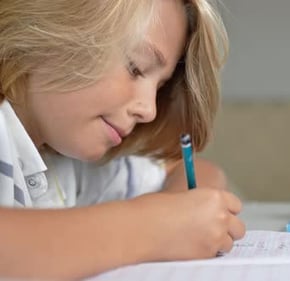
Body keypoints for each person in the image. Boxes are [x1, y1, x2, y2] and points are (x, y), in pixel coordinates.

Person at [0, 0, 246, 279]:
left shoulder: (67, 163)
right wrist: (156, 226)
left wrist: (180, 210)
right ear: (47, 25)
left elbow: (195, 170)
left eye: (160, 87)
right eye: (136, 68)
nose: (149, 110)